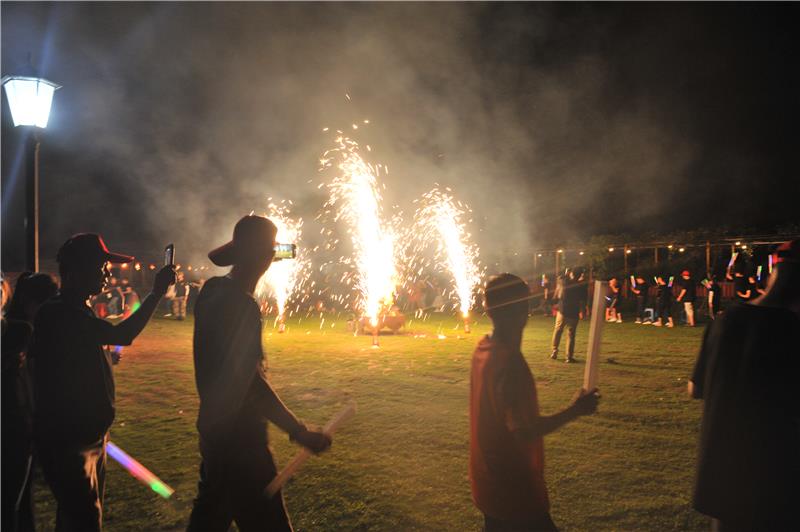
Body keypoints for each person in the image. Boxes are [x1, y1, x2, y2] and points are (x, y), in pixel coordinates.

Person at [187, 215, 331, 532]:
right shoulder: (240, 305)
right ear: (264, 258)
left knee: (209, 518)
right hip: (241, 443)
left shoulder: (212, 291)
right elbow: (250, 383)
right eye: (269, 250)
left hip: (213, 432)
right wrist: (298, 431)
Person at [29, 233, 175, 532]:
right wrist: (156, 293)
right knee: (85, 521)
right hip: (70, 441)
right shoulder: (60, 312)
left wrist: (102, 358)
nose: (107, 273)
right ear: (75, 272)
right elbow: (123, 334)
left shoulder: (76, 310)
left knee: (75, 519)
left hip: (90, 437)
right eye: (101, 267)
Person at [470, 273, 599, 532]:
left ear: (488, 310)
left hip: (486, 480)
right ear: (525, 310)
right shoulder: (509, 364)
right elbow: (524, 430)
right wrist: (576, 410)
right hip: (512, 489)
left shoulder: (483, 349)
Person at [688, 240, 800, 529]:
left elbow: (695, 389)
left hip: (723, 474)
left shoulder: (724, 321)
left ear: (773, 277)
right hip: (776, 479)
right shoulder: (792, 331)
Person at [2, 272, 59, 532]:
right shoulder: (21, 331)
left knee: (21, 499)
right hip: (15, 424)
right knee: (11, 502)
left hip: (22, 422)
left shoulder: (18, 328)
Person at [550, 267, 587, 363]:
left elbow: (560, 278)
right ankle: (569, 357)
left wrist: (567, 273)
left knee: (558, 330)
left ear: (571, 274)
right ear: (580, 275)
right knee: (571, 335)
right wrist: (583, 311)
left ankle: (554, 351)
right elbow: (583, 299)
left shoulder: (565, 281)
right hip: (574, 312)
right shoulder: (581, 285)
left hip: (562, 311)